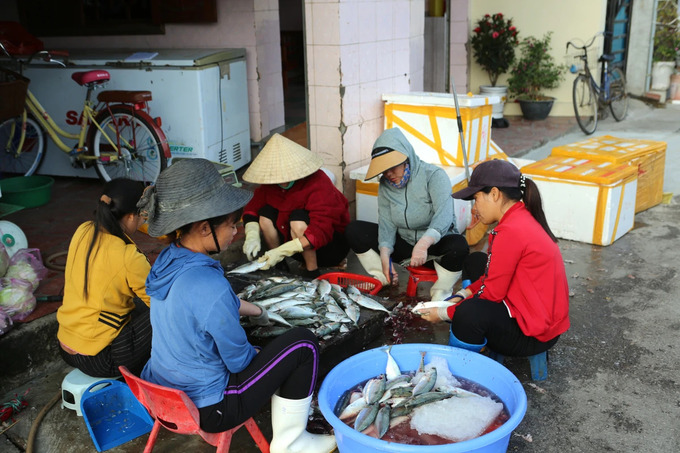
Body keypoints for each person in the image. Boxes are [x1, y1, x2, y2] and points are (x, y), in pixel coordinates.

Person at [137, 159, 336, 453]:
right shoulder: (209, 285)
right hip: (211, 407)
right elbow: (239, 362)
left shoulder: (168, 260)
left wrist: (258, 310)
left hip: (161, 394)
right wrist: (259, 353)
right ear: (205, 228)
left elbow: (208, 303)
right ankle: (294, 443)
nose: (237, 231)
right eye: (232, 224)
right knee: (303, 345)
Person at [419, 159, 570, 358]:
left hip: (533, 336)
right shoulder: (522, 216)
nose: (474, 208)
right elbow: (494, 276)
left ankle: (461, 359)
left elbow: (491, 294)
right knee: (476, 262)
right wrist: (462, 295)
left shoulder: (510, 231)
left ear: (495, 194)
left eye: (476, 199)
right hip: (540, 320)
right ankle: (471, 335)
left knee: (468, 315)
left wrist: (443, 313)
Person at [345, 127, 469, 300]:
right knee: (354, 229)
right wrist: (384, 255)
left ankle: (441, 292)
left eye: (392, 167)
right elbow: (386, 222)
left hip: (435, 246)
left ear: (406, 158)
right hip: (406, 244)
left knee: (459, 246)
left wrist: (424, 243)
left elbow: (444, 215)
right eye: (384, 170)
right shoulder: (386, 186)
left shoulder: (434, 176)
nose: (388, 174)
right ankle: (382, 276)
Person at [57, 178, 151, 378]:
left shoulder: (84, 230)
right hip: (100, 360)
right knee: (169, 312)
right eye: (142, 215)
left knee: (137, 305)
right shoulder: (128, 257)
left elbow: (127, 223)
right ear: (131, 216)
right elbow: (161, 303)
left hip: (66, 346)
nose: (143, 220)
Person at [241, 133, 350, 278]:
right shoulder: (271, 184)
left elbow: (321, 230)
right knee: (265, 214)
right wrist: (252, 234)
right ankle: (278, 265)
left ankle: (312, 271)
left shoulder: (318, 182)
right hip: (295, 249)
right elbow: (253, 207)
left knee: (298, 218)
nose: (283, 180)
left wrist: (283, 251)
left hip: (329, 247)